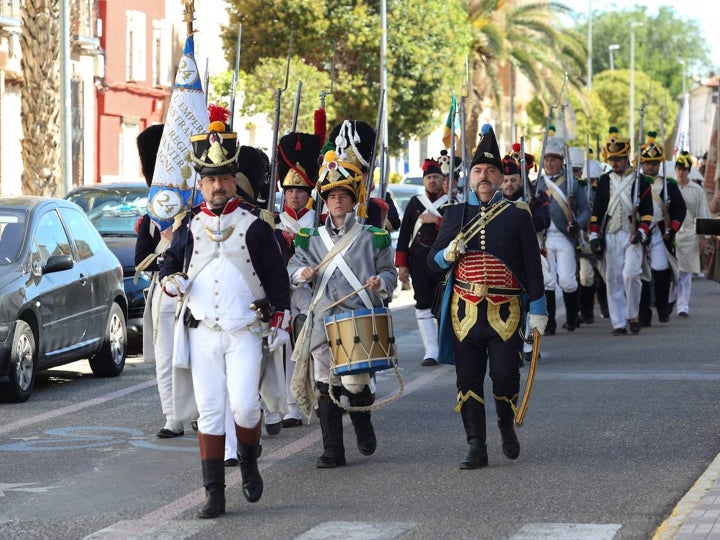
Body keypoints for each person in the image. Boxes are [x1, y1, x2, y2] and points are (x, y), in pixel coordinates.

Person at [159, 117, 291, 518]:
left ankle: (249, 461)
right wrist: (171, 282)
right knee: (211, 411)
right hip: (202, 334)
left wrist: (281, 317)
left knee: (246, 408)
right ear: (200, 184)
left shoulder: (255, 225)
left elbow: (276, 277)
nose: (218, 186)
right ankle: (214, 493)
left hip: (245, 331)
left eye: (224, 178)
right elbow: (167, 266)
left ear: (235, 181)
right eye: (210, 179)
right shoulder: (189, 225)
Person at [428, 124, 547, 469]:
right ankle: (476, 446)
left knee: (505, 375)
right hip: (463, 310)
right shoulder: (454, 215)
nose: (483, 176)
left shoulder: (517, 215)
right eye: (478, 171)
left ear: (498, 178)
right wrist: (447, 254)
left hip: (505, 311)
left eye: (490, 171)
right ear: (471, 176)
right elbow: (431, 262)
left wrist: (538, 308)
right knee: (467, 380)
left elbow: (532, 265)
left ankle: (505, 425)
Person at [287, 119, 398, 469]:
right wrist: (300, 276)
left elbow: (389, 273)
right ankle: (332, 450)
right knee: (325, 386)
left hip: (359, 319)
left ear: (352, 201)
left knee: (355, 385)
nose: (337, 201)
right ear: (326, 201)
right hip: (323, 321)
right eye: (332, 196)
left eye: (343, 196)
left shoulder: (372, 236)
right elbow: (293, 271)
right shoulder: (310, 240)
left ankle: (363, 425)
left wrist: (381, 284)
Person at [134, 123, 185, 438]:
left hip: (194, 292)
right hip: (164, 293)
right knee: (165, 358)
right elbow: (141, 259)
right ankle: (172, 416)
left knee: (193, 356)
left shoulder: (194, 213)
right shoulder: (150, 219)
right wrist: (168, 254)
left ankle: (194, 411)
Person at [275, 131, 323, 427]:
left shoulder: (320, 223)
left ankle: (319, 396)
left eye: (301, 190)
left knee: (317, 348)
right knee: (287, 352)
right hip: (284, 293)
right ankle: (292, 405)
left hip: (313, 294)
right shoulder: (273, 223)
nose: (294, 195)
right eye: (290, 190)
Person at [588, 126, 653, 335]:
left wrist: (641, 233)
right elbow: (597, 211)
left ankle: (632, 314)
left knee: (630, 275)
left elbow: (648, 214)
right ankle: (618, 322)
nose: (614, 162)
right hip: (611, 235)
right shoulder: (606, 180)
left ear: (627, 158)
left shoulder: (640, 181)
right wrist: (594, 235)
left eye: (619, 158)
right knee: (613, 278)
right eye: (612, 159)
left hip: (632, 236)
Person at [395, 156, 448, 366]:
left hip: (444, 261)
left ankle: (446, 347)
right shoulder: (415, 203)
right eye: (429, 177)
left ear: (443, 179)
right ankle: (431, 350)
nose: (432, 181)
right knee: (423, 303)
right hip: (418, 262)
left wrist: (437, 220)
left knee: (445, 304)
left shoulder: (451, 202)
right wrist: (402, 265)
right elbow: (404, 234)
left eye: (436, 177)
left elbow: (458, 230)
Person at [536, 132, 591, 332]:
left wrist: (578, 223)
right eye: (547, 160)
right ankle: (549, 323)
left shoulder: (572, 183)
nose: (549, 164)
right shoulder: (538, 185)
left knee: (567, 281)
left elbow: (585, 209)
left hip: (565, 236)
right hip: (544, 238)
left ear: (561, 162)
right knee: (547, 282)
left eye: (553, 160)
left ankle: (571, 318)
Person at [501, 151, 551, 365]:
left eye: (513, 180)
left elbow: (543, 222)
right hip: (506, 259)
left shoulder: (534, 199)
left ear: (521, 180)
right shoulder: (495, 202)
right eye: (505, 180)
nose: (509, 184)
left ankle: (530, 345)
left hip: (530, 256)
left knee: (532, 301)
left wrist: (528, 213)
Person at [636, 132, 686, 326]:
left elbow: (680, 208)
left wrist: (671, 229)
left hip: (659, 231)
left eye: (654, 163)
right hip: (642, 229)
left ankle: (663, 307)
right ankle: (643, 313)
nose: (650, 166)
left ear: (659, 164)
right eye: (647, 163)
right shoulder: (637, 183)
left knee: (661, 270)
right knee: (641, 273)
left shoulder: (669, 184)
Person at [671, 151, 711, 317]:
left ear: (689, 171)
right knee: (672, 271)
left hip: (690, 233)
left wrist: (703, 237)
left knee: (686, 272)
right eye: (679, 168)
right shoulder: (669, 188)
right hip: (672, 233)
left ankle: (683, 306)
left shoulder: (697, 190)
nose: (682, 172)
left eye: (685, 169)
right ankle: (668, 301)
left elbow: (702, 214)